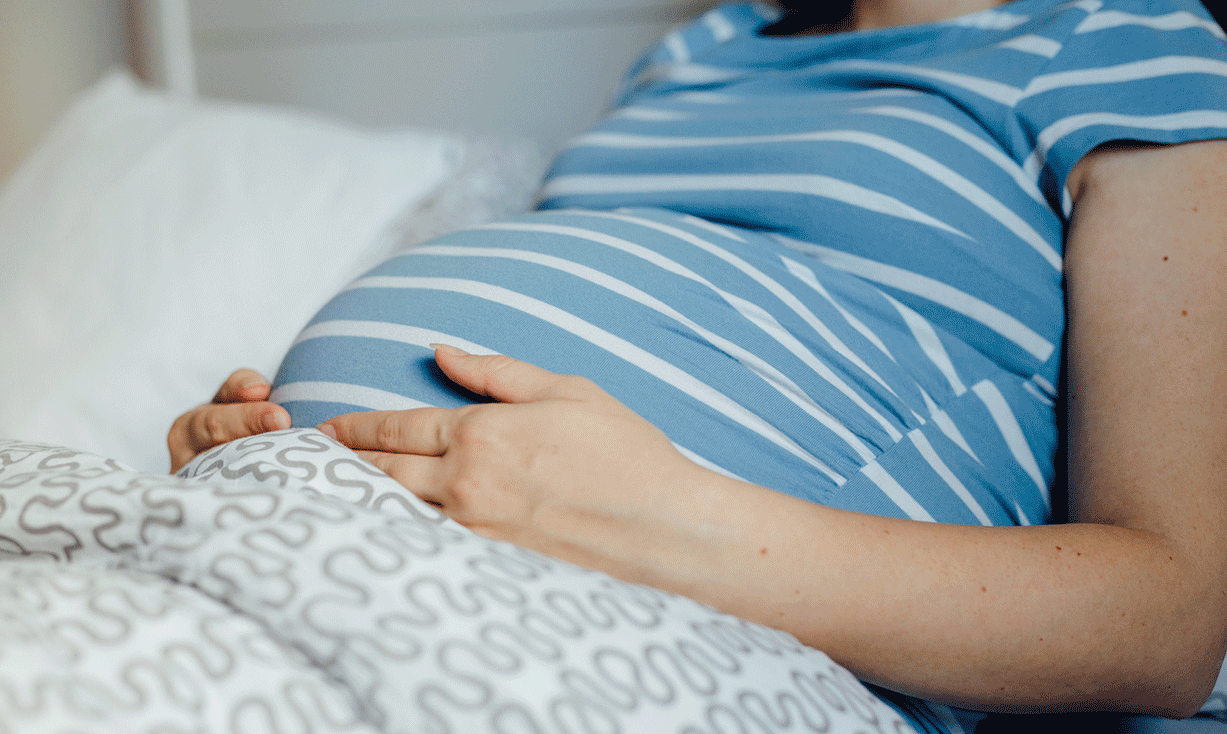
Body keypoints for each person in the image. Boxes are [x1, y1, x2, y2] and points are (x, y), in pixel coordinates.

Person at [168, 0, 1227, 730]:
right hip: (339, 555)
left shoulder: (1132, 48)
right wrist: (269, 445)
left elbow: (1170, 620)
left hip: (709, 639)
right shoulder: (705, 48)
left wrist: (676, 521)